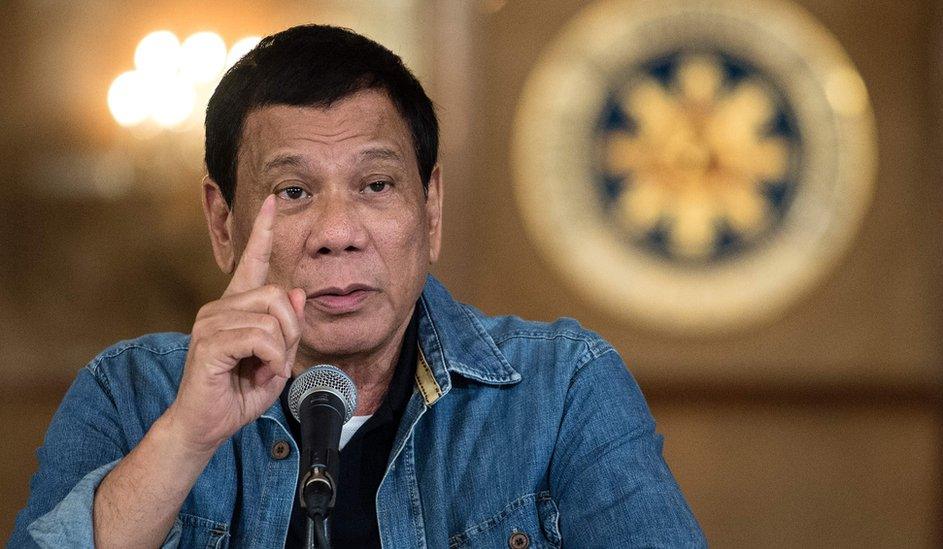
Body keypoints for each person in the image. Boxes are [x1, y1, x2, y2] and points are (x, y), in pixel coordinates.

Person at [9, 24, 704, 548]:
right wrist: (188, 435)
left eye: (376, 185)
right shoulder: (127, 394)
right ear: (223, 224)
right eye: (293, 190)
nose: (337, 231)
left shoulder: (562, 390)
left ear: (430, 211)